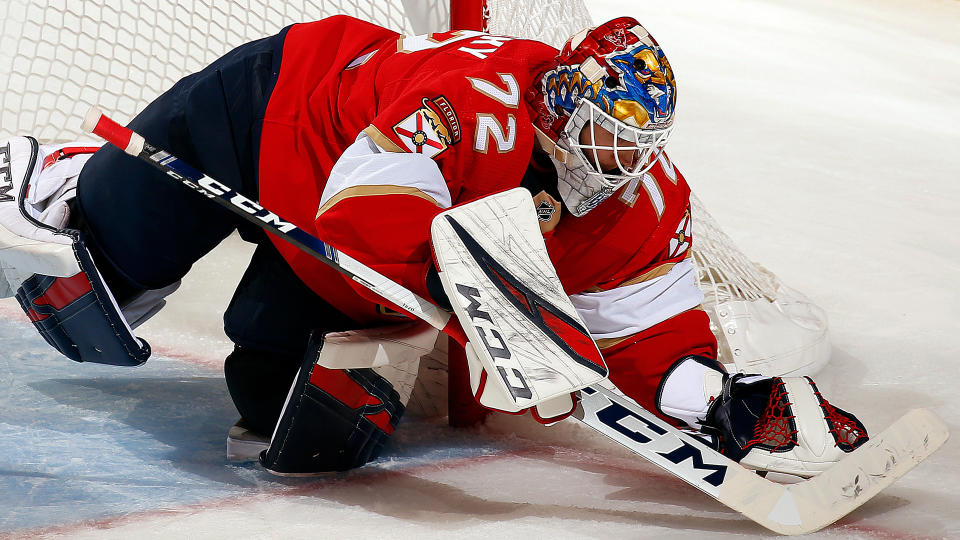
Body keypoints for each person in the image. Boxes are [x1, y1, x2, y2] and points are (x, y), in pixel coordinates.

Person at [0, 16, 867, 477]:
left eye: (634, 148)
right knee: (110, 276)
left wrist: (716, 401)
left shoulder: (645, 199)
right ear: (560, 103)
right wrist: (474, 295)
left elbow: (646, 335)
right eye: (602, 138)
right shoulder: (477, 98)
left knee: (282, 409)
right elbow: (364, 213)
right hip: (273, 109)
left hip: (335, 239)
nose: (617, 166)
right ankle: (67, 176)